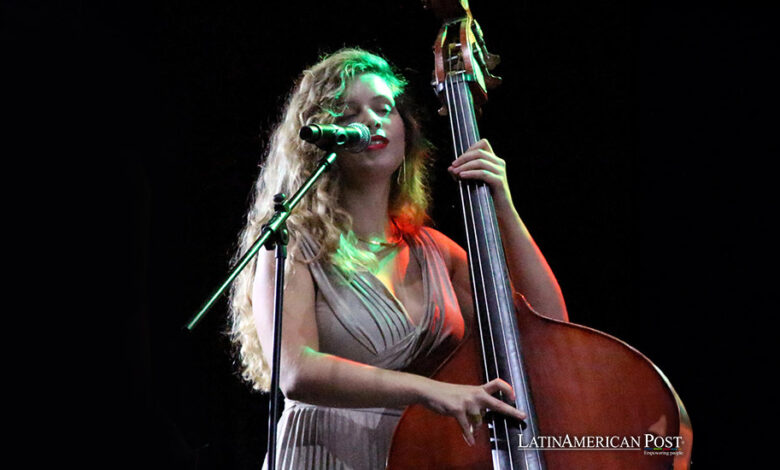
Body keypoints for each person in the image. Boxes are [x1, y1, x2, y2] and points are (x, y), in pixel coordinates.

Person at [228, 48, 568, 470]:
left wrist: (504, 208)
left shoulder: (434, 252)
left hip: (421, 455)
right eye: (348, 111)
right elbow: (296, 372)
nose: (370, 121)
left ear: (405, 132)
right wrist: (427, 390)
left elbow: (549, 328)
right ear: (320, 136)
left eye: (383, 108)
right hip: (322, 454)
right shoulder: (293, 242)